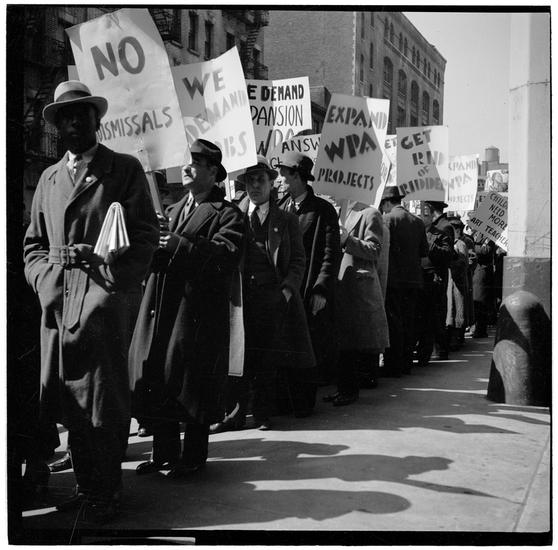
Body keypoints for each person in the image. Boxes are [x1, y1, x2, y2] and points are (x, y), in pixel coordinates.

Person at [23, 81, 159, 522]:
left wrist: (109, 286)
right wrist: (45, 281)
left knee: (104, 403)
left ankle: (106, 491)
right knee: (70, 403)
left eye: (82, 115)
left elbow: (145, 238)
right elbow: (33, 245)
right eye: (65, 117)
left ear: (97, 120)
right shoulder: (49, 178)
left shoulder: (123, 169)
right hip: (58, 307)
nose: (74, 124)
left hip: (102, 304)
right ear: (58, 126)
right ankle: (86, 488)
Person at [129, 139, 244, 477]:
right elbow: (155, 260)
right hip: (163, 308)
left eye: (195, 162)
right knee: (161, 378)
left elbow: (224, 258)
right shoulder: (172, 210)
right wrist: (153, 238)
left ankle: (193, 457)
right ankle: (164, 452)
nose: (187, 167)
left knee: (194, 385)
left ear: (213, 171)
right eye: (185, 161)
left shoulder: (229, 214)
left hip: (197, 315)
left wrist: (180, 244)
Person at [212, 156, 315, 432]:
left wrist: (287, 291)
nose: (255, 186)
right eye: (250, 181)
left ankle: (262, 414)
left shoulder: (287, 219)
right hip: (240, 298)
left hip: (272, 299)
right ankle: (234, 414)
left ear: (271, 183)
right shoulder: (233, 216)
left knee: (266, 357)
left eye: (260, 180)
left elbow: (298, 261)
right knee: (237, 357)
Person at [276, 152, 342, 414]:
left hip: (308, 290)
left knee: (308, 346)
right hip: (286, 290)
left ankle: (303, 403)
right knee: (284, 344)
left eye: (284, 175)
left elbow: (330, 254)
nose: (280, 181)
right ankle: (284, 402)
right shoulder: (280, 207)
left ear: (298, 177)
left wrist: (321, 289)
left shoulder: (323, 210)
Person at [324, 201, 388, 406]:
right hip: (338, 283)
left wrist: (347, 240)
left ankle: (349, 390)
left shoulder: (370, 213)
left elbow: (375, 250)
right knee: (341, 341)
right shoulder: (335, 211)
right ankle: (343, 388)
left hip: (357, 287)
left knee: (351, 341)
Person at [379, 186, 428, 376]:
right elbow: (424, 254)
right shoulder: (418, 222)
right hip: (413, 280)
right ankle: (406, 363)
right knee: (409, 321)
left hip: (393, 280)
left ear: (387, 203)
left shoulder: (387, 219)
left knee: (393, 322)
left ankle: (394, 365)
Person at [415, 202, 454, 367]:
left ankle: (426, 354)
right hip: (417, 279)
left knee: (430, 318)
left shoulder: (441, 234)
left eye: (426, 214)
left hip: (433, 281)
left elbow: (449, 254)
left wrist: (430, 245)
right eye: (420, 214)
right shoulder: (414, 232)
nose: (422, 217)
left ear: (432, 216)